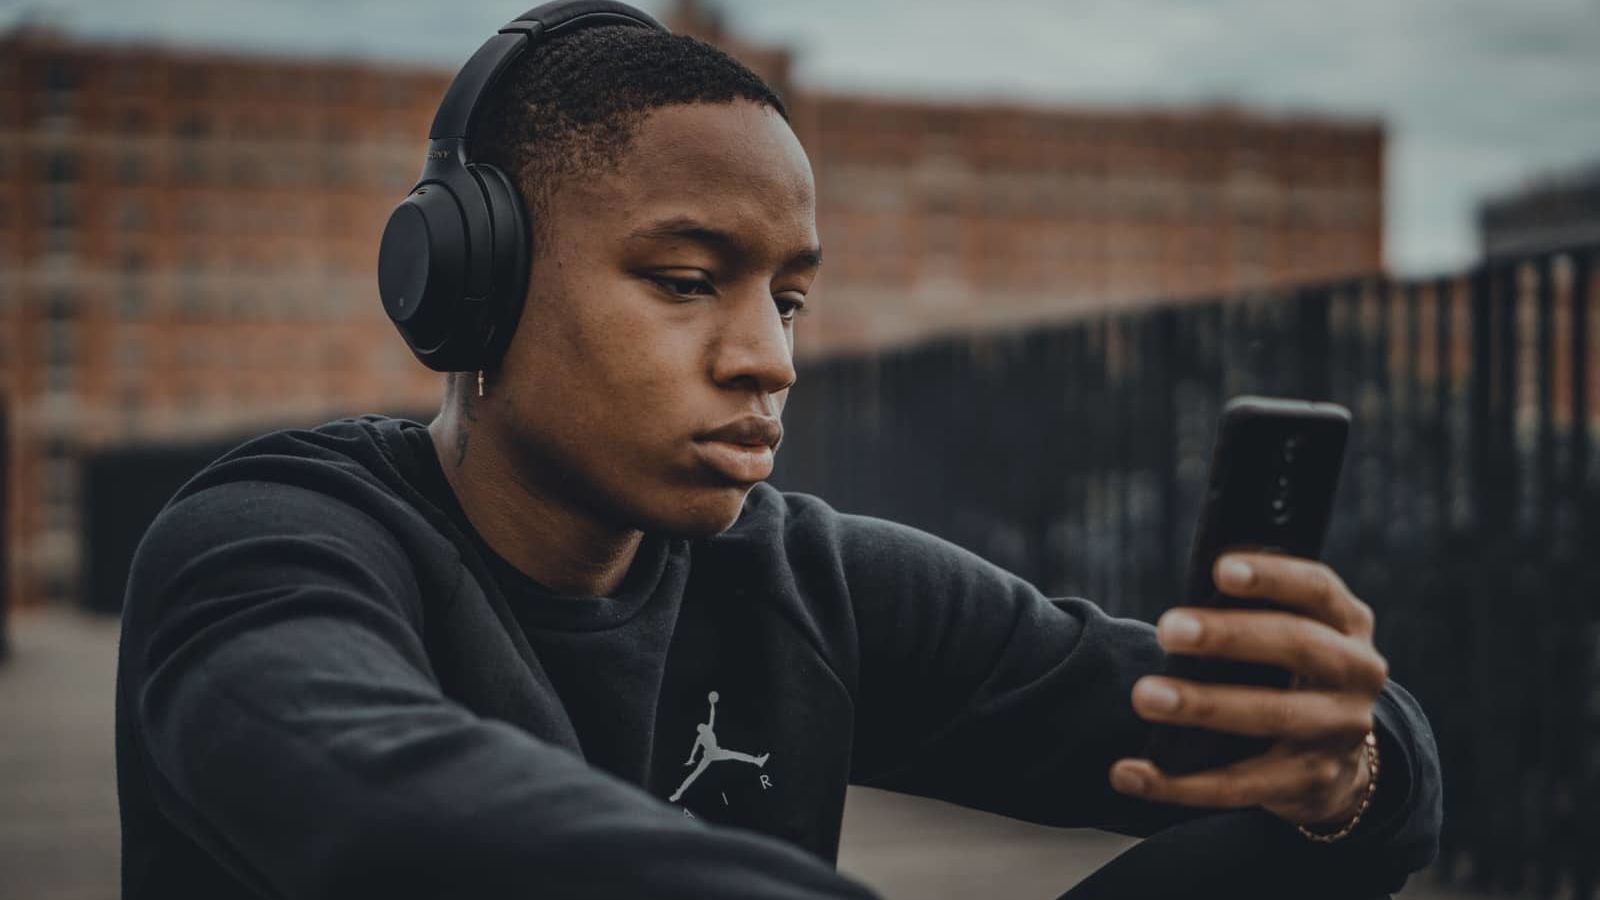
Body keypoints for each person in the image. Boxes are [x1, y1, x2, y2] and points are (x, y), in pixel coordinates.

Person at [114, 4, 1442, 898]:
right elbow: (386, 800)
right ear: (473, 284)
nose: (770, 356)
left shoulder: (802, 581)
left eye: (788, 298)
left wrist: (1345, 766)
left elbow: (1253, 741)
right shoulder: (269, 544)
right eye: (690, 280)